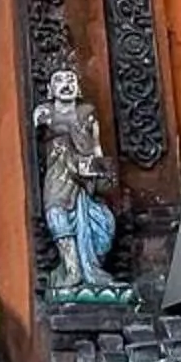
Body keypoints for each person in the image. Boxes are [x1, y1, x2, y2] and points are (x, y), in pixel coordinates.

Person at [35, 67, 118, 291]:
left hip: (85, 176)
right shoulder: (44, 113)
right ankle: (71, 269)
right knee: (56, 214)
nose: (66, 85)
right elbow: (36, 137)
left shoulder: (87, 113)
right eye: (60, 80)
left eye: (71, 79)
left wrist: (101, 172)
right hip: (58, 173)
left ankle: (92, 268)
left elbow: (96, 146)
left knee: (102, 222)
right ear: (50, 89)